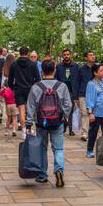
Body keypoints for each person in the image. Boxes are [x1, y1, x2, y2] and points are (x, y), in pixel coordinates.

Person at [27, 59, 72, 188]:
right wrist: (64, 117)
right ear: (55, 70)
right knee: (58, 148)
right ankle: (59, 171)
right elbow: (68, 105)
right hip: (57, 121)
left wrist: (29, 123)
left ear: (42, 71)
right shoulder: (62, 86)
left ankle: (42, 175)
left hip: (41, 122)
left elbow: (30, 106)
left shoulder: (36, 87)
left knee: (42, 148)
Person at [8, 46, 40, 129]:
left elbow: (10, 79)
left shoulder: (14, 64)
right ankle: (29, 129)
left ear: (20, 53)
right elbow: (38, 79)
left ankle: (23, 132)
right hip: (30, 89)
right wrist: (34, 87)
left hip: (18, 89)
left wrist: (12, 88)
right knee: (29, 110)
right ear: (28, 53)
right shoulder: (33, 64)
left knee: (21, 111)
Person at [85, 61, 103, 162]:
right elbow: (89, 99)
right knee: (93, 133)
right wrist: (90, 113)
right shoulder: (91, 84)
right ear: (95, 73)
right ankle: (90, 150)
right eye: (101, 70)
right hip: (96, 113)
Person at [56, 49, 79, 136]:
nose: (66, 56)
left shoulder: (75, 66)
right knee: (61, 109)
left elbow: (78, 80)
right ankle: (63, 126)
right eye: (65, 54)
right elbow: (56, 79)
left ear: (70, 55)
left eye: (68, 54)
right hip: (61, 91)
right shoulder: (59, 67)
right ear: (63, 56)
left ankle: (71, 129)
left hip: (72, 91)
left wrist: (77, 94)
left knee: (71, 110)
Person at [73, 50, 95, 139]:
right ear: (86, 58)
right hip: (83, 94)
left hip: (95, 95)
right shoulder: (81, 69)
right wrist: (76, 96)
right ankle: (85, 133)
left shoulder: (97, 68)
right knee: (84, 113)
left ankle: (93, 132)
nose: (93, 56)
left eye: (93, 55)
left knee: (94, 114)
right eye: (90, 55)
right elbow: (76, 83)